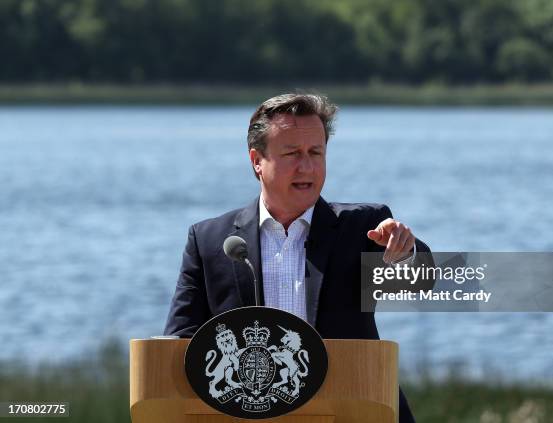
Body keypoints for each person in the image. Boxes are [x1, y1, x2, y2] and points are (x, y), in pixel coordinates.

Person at [164, 93, 433, 422]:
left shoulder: (363, 227)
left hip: (352, 413)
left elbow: (420, 283)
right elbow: (179, 343)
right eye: (292, 153)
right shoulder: (210, 240)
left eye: (315, 153)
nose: (306, 166)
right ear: (256, 161)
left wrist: (405, 252)